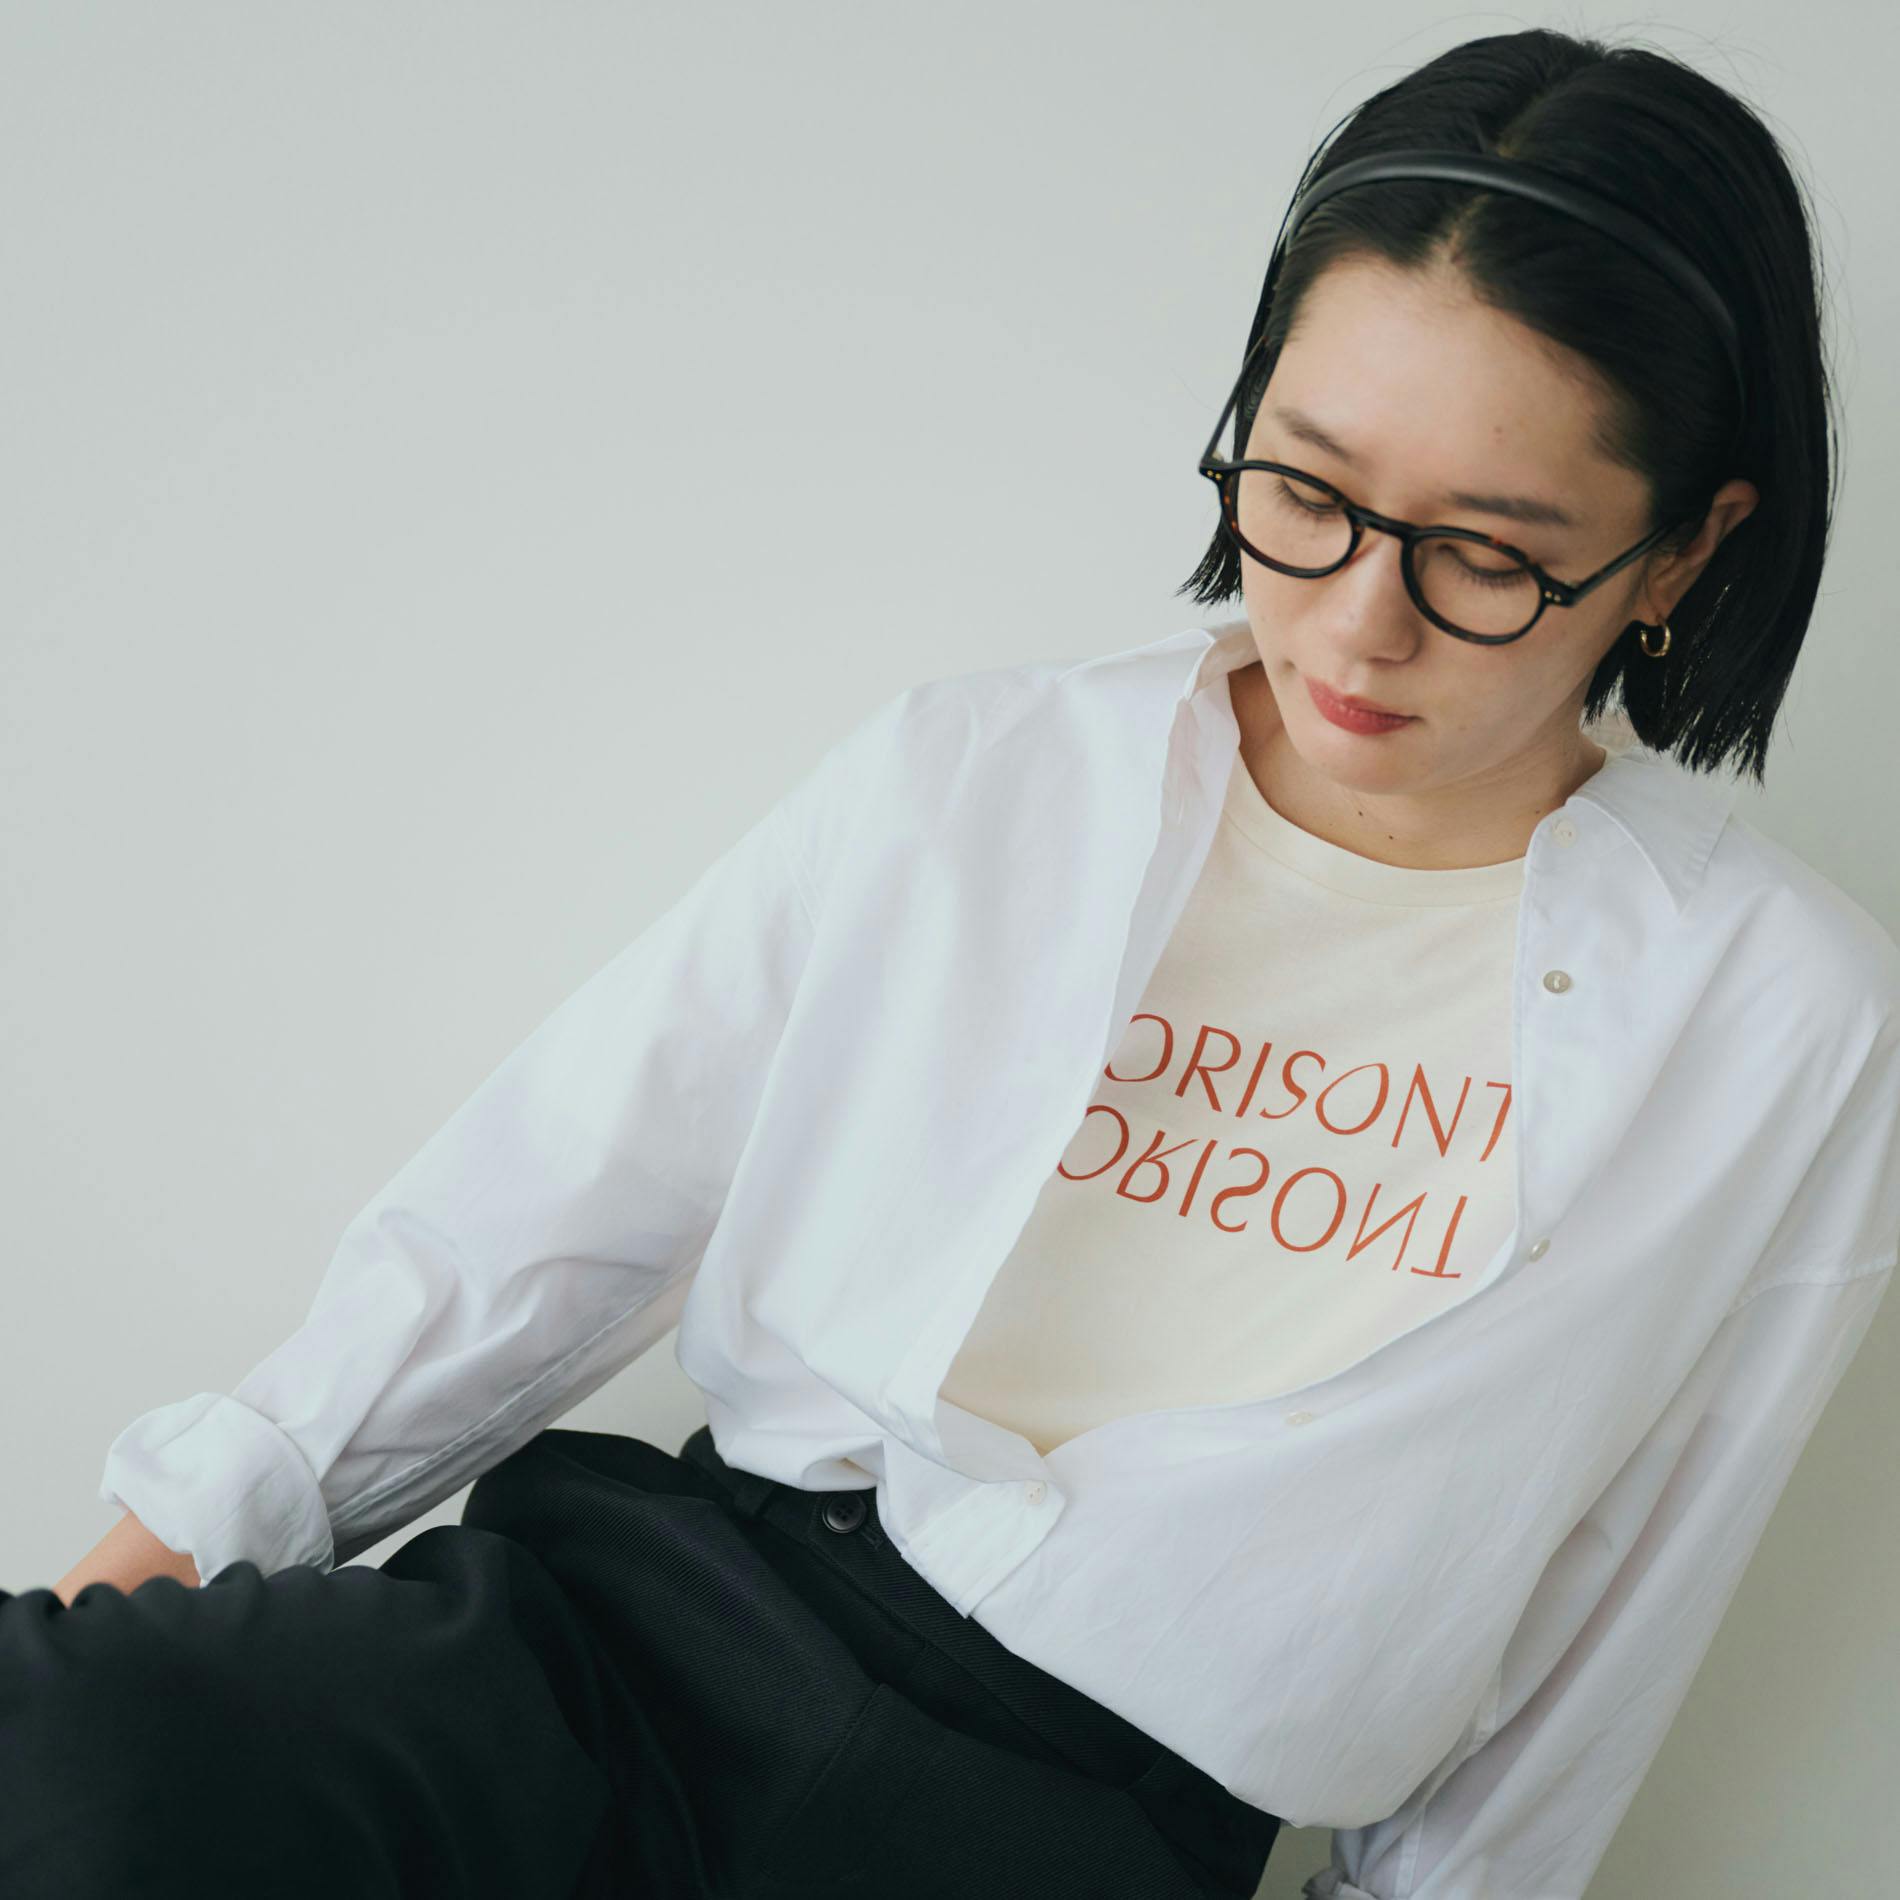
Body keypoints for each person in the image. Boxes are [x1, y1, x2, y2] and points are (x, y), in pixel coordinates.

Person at [9, 24, 1894, 1900]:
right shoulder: (985, 772)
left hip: (1077, 1825)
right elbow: (552, 1212)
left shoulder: (1779, 1024)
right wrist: (110, 1653)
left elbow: (1632, 1590)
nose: (1355, 620)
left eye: (1485, 555)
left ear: (1680, 554)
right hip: (629, 1643)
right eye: (1306, 493)